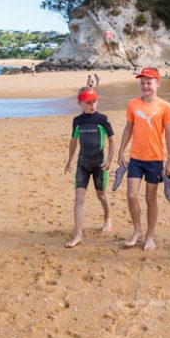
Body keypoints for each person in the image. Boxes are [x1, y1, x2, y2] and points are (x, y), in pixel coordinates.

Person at [116, 67, 170, 251]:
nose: (145, 86)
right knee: (131, 195)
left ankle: (150, 236)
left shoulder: (165, 106)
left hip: (155, 159)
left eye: (149, 82)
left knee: (151, 198)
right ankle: (137, 231)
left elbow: (169, 135)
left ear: (158, 83)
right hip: (136, 158)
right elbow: (128, 128)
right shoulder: (133, 104)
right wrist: (121, 151)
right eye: (142, 82)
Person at [63, 87, 116, 248]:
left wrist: (109, 160)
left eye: (94, 101)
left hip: (99, 165)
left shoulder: (103, 119)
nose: (92, 105)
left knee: (101, 195)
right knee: (79, 198)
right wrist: (69, 160)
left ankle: (107, 218)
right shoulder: (77, 121)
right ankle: (78, 234)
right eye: (88, 103)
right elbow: (74, 141)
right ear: (80, 103)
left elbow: (112, 140)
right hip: (83, 165)